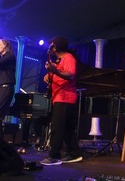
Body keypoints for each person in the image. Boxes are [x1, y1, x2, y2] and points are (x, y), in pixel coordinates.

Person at [39, 35, 83, 166]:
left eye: (52, 45)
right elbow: (58, 74)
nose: (50, 47)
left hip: (65, 97)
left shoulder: (68, 58)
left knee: (57, 127)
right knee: (67, 129)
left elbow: (70, 74)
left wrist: (54, 70)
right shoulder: (59, 60)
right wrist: (48, 75)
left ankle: (54, 156)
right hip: (60, 97)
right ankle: (74, 154)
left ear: (56, 46)